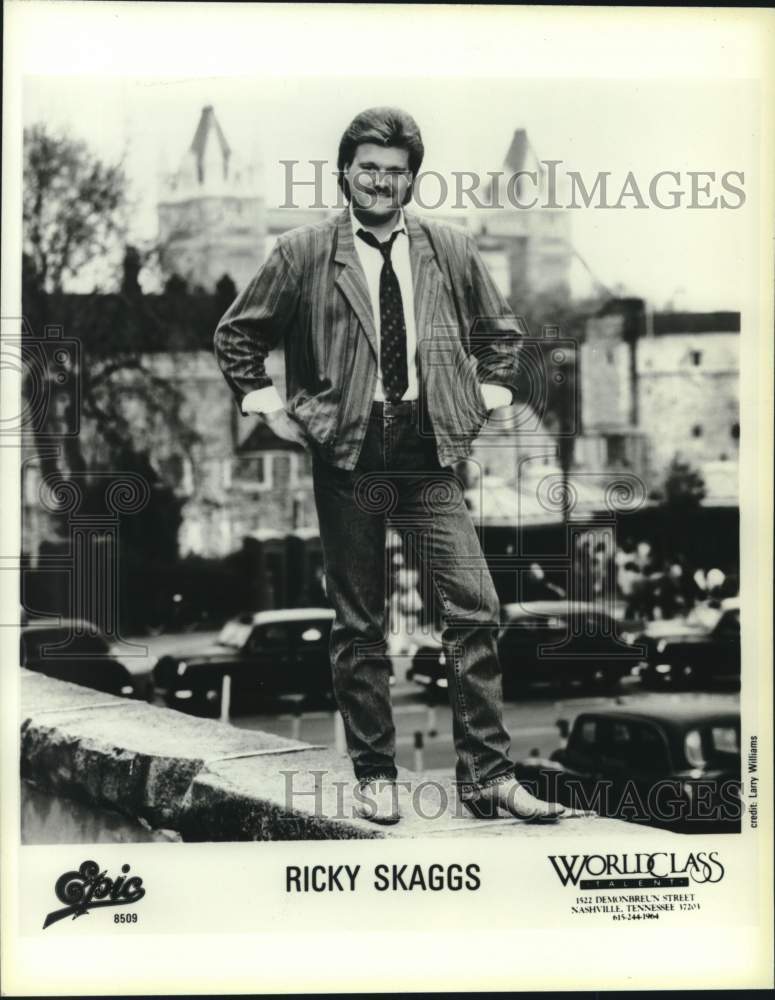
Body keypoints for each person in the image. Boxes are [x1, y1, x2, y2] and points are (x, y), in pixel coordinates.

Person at [214, 107, 565, 825]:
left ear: (412, 178)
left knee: (474, 606)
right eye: (369, 168)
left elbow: (500, 335)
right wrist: (270, 409)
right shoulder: (302, 252)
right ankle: (375, 774)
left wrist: (481, 398)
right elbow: (236, 335)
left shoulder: (449, 247)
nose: (381, 182)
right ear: (344, 170)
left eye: (396, 171)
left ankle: (488, 777)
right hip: (347, 451)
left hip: (427, 449)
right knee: (359, 620)